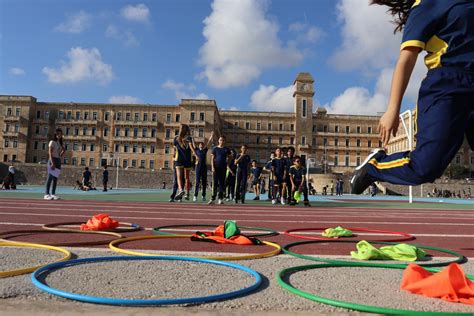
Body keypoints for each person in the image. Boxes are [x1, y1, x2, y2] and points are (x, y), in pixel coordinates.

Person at [351, 0, 474, 194]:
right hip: (447, 85)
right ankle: (374, 167)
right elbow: (406, 60)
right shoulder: (426, 5)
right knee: (426, 167)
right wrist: (393, 109)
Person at [173, 124, 195, 200]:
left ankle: (180, 190)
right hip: (188, 159)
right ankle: (187, 193)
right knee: (187, 177)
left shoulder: (176, 138)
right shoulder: (189, 138)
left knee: (179, 176)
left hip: (179, 159)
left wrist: (173, 157)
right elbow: (191, 146)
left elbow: (175, 149)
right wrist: (195, 154)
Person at [209, 135, 231, 205]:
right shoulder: (215, 149)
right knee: (215, 183)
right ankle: (213, 198)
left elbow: (230, 157)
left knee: (221, 183)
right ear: (218, 141)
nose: (221, 141)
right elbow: (212, 159)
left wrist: (227, 163)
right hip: (216, 168)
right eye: (220, 140)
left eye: (223, 140)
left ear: (224, 141)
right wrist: (212, 167)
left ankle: (220, 198)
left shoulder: (226, 149)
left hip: (223, 168)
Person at [193, 132, 214, 202]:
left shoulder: (205, 150)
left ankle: (203, 195)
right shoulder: (196, 150)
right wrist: (192, 137)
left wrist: (211, 136)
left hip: (204, 168)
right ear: (198, 145)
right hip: (198, 167)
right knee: (197, 182)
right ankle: (195, 196)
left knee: (204, 182)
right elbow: (193, 143)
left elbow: (208, 143)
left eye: (202, 144)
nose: (201, 145)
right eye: (200, 144)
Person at [44, 128, 65, 200]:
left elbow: (62, 151)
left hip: (58, 160)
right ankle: (46, 194)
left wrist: (61, 154)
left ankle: (53, 194)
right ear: (55, 134)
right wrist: (52, 162)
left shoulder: (59, 143)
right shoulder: (52, 142)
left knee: (55, 179)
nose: (59, 135)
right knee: (50, 178)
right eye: (58, 134)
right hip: (52, 160)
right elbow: (50, 152)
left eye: (61, 134)